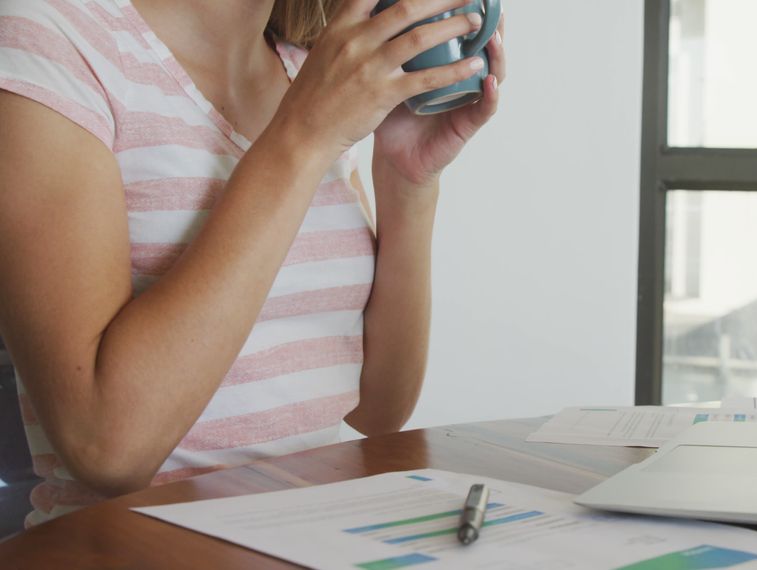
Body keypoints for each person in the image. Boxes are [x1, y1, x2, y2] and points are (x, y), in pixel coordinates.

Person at [0, 0, 505, 526]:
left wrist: (408, 180)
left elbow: (376, 410)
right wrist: (304, 133)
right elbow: (106, 448)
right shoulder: (54, 39)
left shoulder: (307, 70)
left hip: (317, 539)